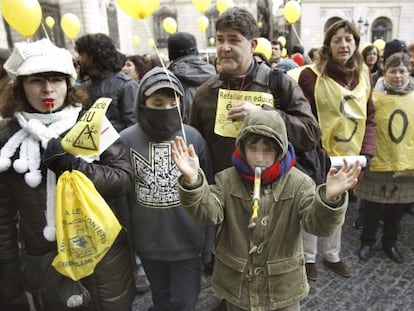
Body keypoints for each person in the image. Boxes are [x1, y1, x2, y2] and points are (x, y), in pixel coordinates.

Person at [171, 109, 362, 311]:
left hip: (282, 290)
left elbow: (318, 225)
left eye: (268, 149)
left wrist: (329, 199)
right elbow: (207, 213)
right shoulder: (227, 179)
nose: (260, 158)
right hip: (238, 287)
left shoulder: (299, 183)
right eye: (252, 148)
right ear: (242, 147)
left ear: (280, 150)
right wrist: (193, 182)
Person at [0, 38, 136, 311]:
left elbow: (124, 179)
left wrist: (72, 165)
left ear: (68, 84)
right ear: (21, 87)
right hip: (45, 265)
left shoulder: (92, 123)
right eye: (36, 81)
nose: (48, 89)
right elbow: (3, 215)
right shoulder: (7, 138)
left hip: (103, 261)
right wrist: (8, 271)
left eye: (56, 80)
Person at [120, 66, 214, 311]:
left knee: (185, 302)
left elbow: (209, 191)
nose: (165, 109)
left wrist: (208, 243)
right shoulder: (126, 140)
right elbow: (123, 195)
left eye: (173, 103)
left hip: (188, 241)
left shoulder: (193, 137)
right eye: (157, 103)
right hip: (149, 243)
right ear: (143, 103)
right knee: (160, 298)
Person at [189, 6, 321, 175]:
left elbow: (310, 135)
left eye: (234, 40)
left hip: (274, 196)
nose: (225, 47)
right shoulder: (204, 94)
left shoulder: (280, 84)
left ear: (252, 45)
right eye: (220, 39)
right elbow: (195, 151)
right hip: (222, 196)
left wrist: (263, 116)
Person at [297, 19, 377, 281]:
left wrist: (367, 152)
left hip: (350, 156)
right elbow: (302, 116)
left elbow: (370, 117)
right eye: (337, 40)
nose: (343, 44)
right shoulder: (310, 76)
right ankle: (308, 257)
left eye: (348, 39)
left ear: (355, 43)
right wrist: (310, 153)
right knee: (313, 202)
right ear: (328, 45)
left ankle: (332, 255)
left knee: (339, 204)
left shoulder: (364, 75)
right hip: (317, 155)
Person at [356, 53, 414, 264]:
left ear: (408, 72)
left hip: (404, 163)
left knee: (395, 210)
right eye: (393, 71)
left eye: (402, 71)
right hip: (378, 160)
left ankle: (390, 243)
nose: (397, 76)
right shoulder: (373, 96)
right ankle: (367, 242)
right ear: (384, 71)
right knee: (372, 207)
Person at [74, 33, 138, 132]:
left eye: (82, 54)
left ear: (94, 55)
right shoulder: (84, 87)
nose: (78, 59)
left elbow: (133, 126)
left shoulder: (126, 85)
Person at [167, 32, 216, 123]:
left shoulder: (168, 78)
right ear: (196, 51)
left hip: (183, 134)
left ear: (171, 54)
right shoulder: (214, 73)